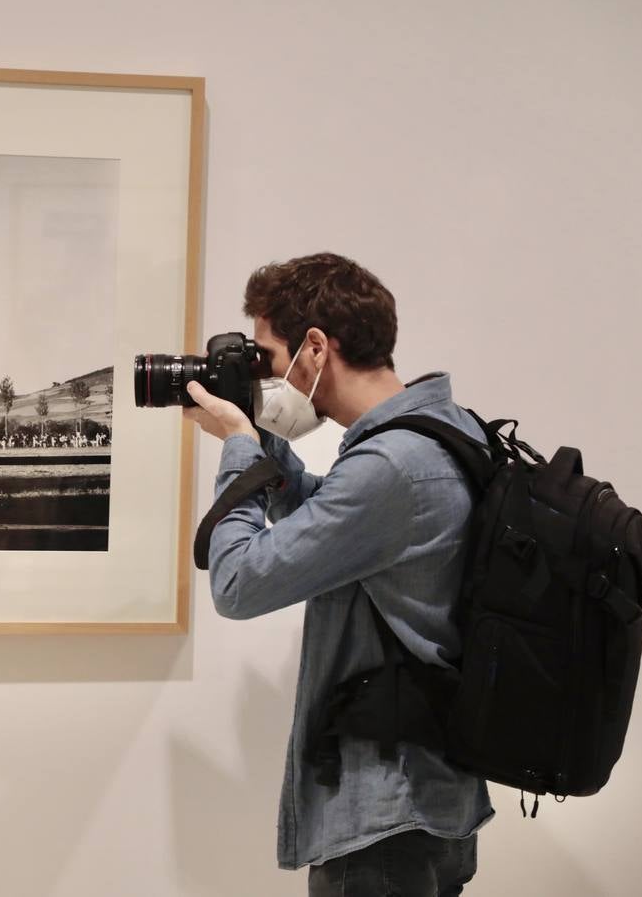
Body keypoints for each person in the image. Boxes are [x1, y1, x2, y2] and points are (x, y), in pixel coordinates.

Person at [183, 253, 493, 896]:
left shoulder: (392, 465)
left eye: (268, 359)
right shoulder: (444, 430)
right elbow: (339, 534)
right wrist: (260, 441)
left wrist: (241, 446)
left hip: (383, 820)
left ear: (316, 348)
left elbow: (237, 584)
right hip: (430, 799)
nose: (268, 377)